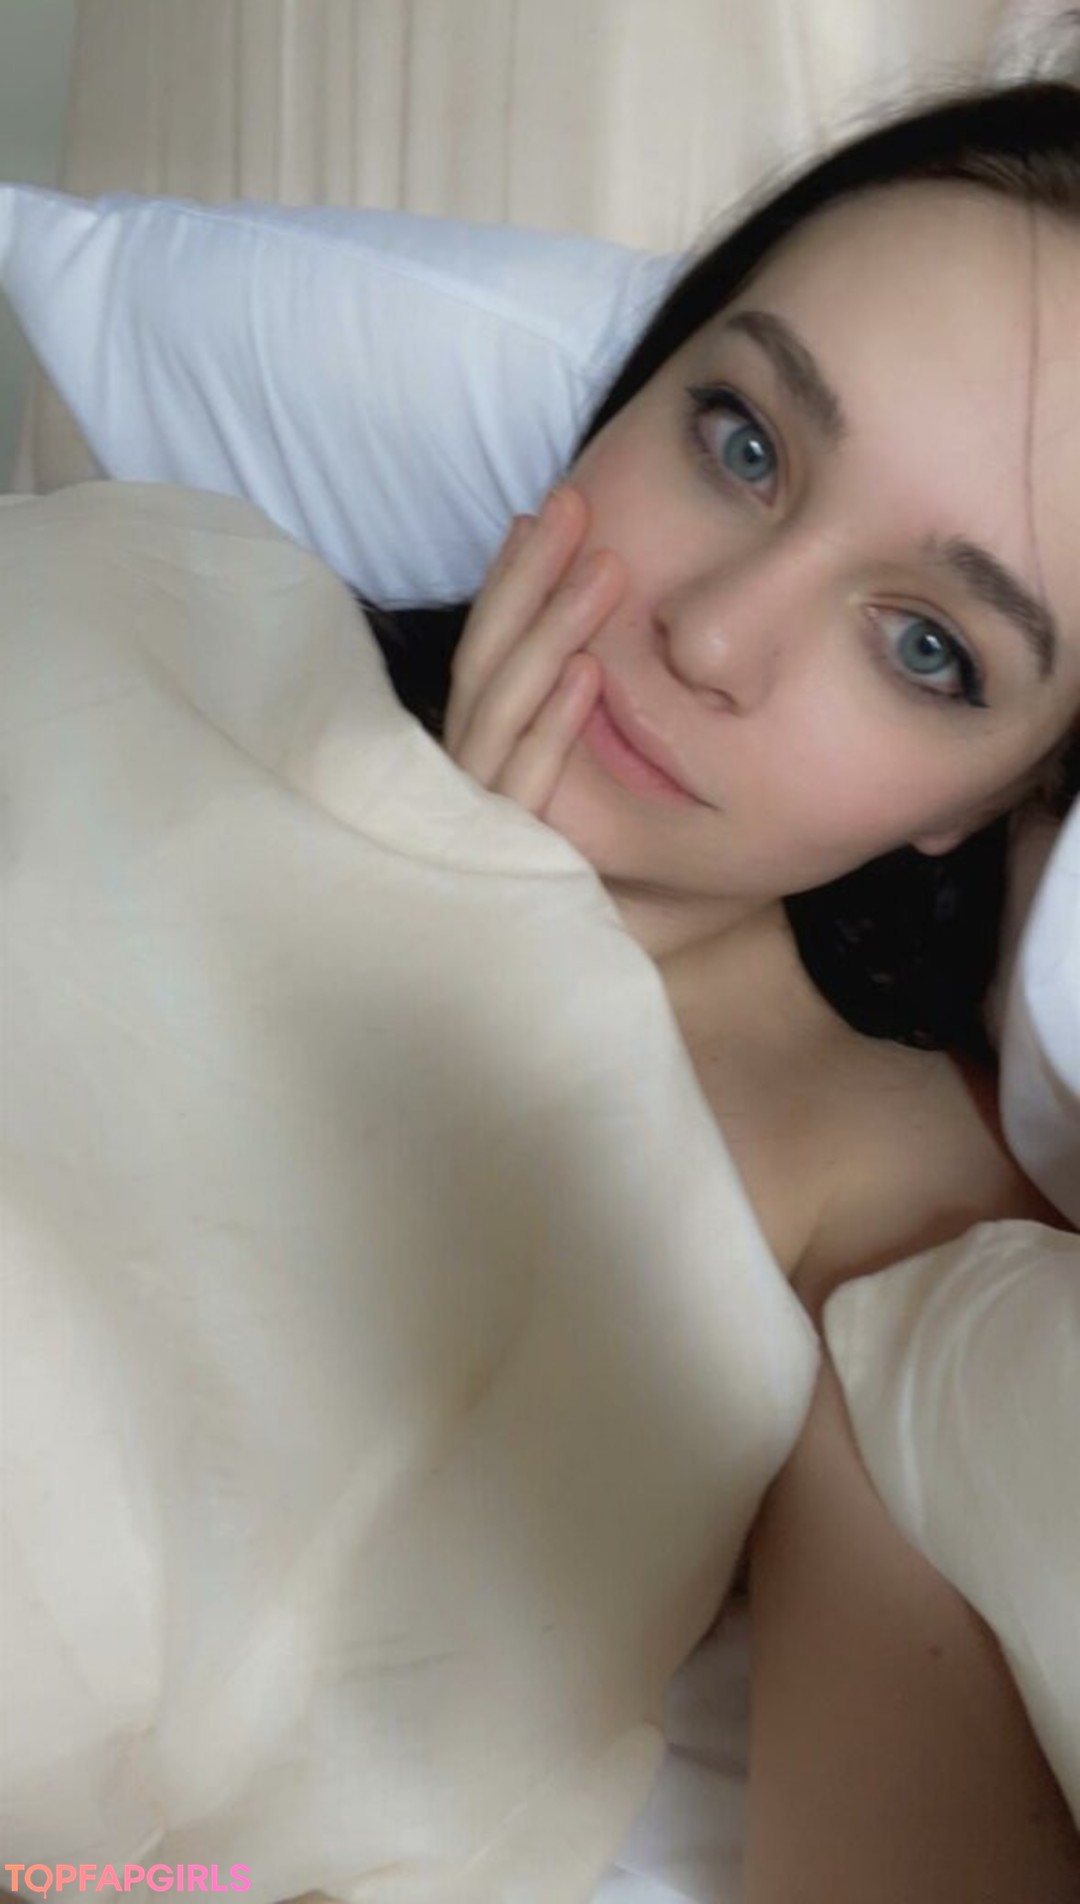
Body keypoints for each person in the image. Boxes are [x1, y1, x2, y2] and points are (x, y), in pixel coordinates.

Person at [362, 80, 1080, 1899]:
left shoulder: (891, 1240)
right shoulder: (185, 646)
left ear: (1001, 796)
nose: (712, 631)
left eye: (930, 648)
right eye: (744, 443)